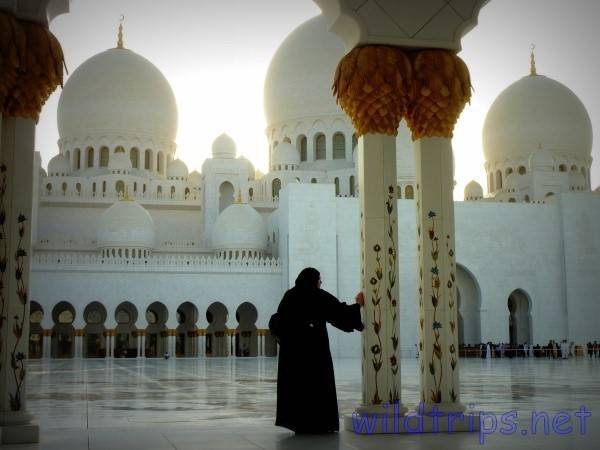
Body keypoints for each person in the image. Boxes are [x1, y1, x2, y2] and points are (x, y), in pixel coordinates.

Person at [269, 267, 364, 433]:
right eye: (319, 280)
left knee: (297, 388)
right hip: (314, 354)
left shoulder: (290, 296)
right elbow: (339, 312)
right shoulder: (316, 295)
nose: (320, 283)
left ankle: (299, 423)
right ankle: (319, 423)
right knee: (316, 385)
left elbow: (279, 321)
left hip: (293, 356)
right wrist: (358, 305)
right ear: (314, 280)